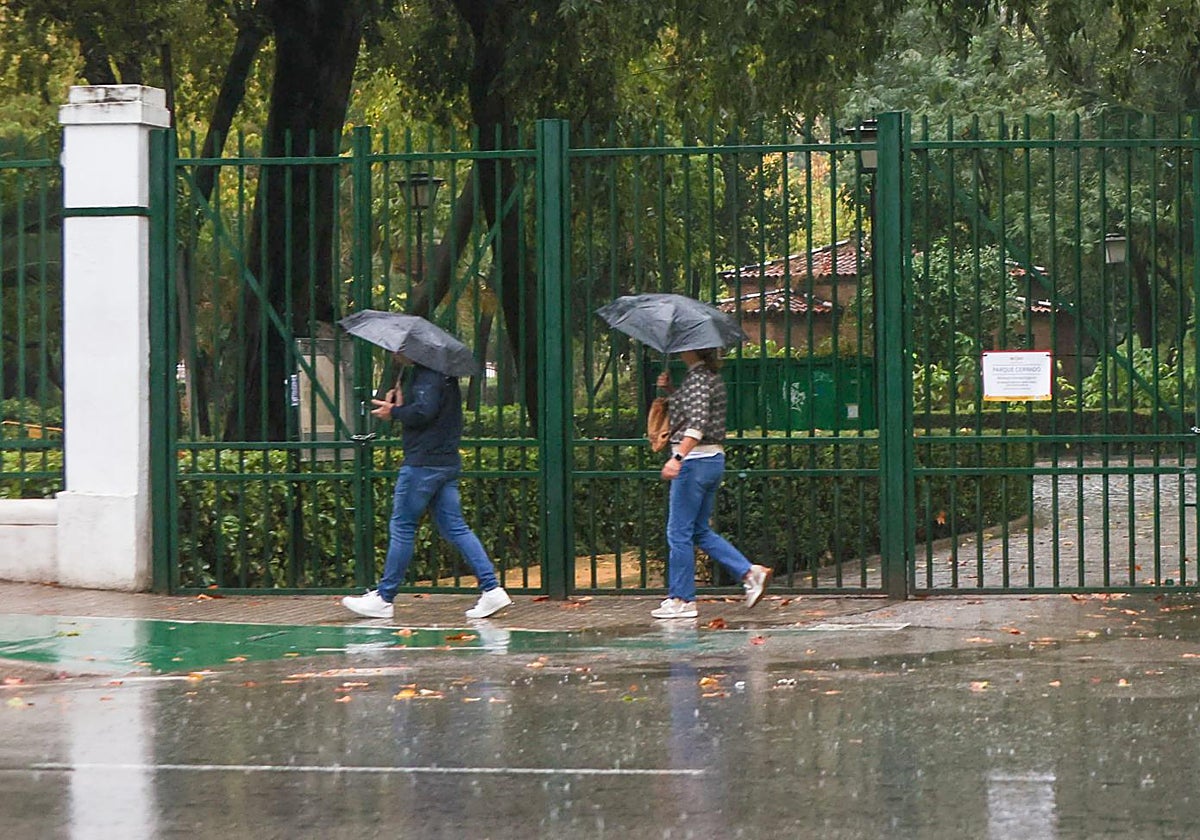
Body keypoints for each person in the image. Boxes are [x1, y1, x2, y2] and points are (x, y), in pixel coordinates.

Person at [342, 352, 512, 620]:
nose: (392, 354)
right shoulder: (442, 374)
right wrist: (401, 403)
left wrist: (394, 411)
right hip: (445, 462)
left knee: (403, 526)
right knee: (455, 527)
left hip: (423, 464)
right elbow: (429, 410)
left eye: (397, 350)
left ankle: (384, 598)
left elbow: (424, 411)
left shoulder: (426, 374)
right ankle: (491, 589)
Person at [652, 347, 771, 619]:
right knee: (698, 531)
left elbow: (696, 424)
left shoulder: (697, 379)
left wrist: (678, 457)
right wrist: (671, 391)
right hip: (712, 460)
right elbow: (693, 413)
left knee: (678, 532)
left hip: (693, 462)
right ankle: (750, 573)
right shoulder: (709, 377)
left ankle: (682, 599)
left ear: (693, 349)